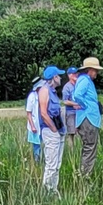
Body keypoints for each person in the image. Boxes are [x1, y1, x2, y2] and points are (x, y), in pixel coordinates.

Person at [37, 65, 65, 193]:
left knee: (57, 164)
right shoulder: (44, 90)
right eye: (58, 76)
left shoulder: (53, 92)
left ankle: (54, 189)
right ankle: (47, 190)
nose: (60, 78)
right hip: (50, 131)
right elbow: (43, 113)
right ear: (54, 77)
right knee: (51, 164)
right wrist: (53, 129)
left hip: (58, 131)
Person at [73, 57, 103, 177]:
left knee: (89, 147)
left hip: (88, 118)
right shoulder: (85, 80)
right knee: (90, 147)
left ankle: (85, 173)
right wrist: (86, 106)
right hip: (88, 118)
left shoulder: (85, 80)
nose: (97, 73)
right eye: (95, 70)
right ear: (89, 70)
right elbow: (77, 95)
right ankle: (86, 174)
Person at [25, 78, 42, 164]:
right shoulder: (32, 96)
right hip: (35, 125)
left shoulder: (43, 95)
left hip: (42, 124)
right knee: (36, 146)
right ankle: (37, 162)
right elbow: (29, 113)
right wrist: (32, 126)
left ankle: (42, 161)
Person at [62, 66, 79, 145]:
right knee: (71, 133)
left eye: (76, 73)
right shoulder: (67, 87)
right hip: (71, 113)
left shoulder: (79, 85)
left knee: (80, 132)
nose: (76, 75)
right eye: (74, 74)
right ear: (69, 75)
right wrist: (74, 104)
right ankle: (71, 152)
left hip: (80, 112)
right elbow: (65, 101)